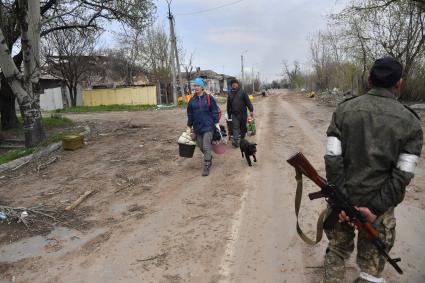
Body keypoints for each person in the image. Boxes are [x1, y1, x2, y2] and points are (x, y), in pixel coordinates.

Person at [323, 57, 423, 283]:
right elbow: (403, 175)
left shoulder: (343, 111)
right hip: (379, 211)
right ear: (399, 84)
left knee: (337, 253)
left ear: (369, 79)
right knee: (371, 270)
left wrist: (342, 201)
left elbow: (332, 159)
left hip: (341, 204)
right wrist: (375, 209)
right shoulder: (411, 123)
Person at [187, 77, 220, 177]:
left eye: (198, 86)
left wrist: (216, 123)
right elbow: (190, 114)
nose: (196, 87)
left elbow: (214, 111)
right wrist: (189, 125)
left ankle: (206, 166)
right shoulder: (192, 101)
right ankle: (208, 156)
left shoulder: (209, 98)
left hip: (208, 126)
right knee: (201, 146)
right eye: (195, 86)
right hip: (198, 127)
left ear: (202, 87)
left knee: (206, 146)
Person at [227, 79, 254, 147]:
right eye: (232, 84)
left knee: (243, 127)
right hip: (234, 114)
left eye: (235, 83)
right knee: (235, 127)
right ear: (231, 85)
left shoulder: (243, 92)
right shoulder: (230, 94)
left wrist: (251, 110)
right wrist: (229, 114)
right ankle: (235, 141)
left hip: (243, 113)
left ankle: (242, 139)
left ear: (238, 84)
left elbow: (248, 101)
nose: (234, 85)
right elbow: (228, 105)